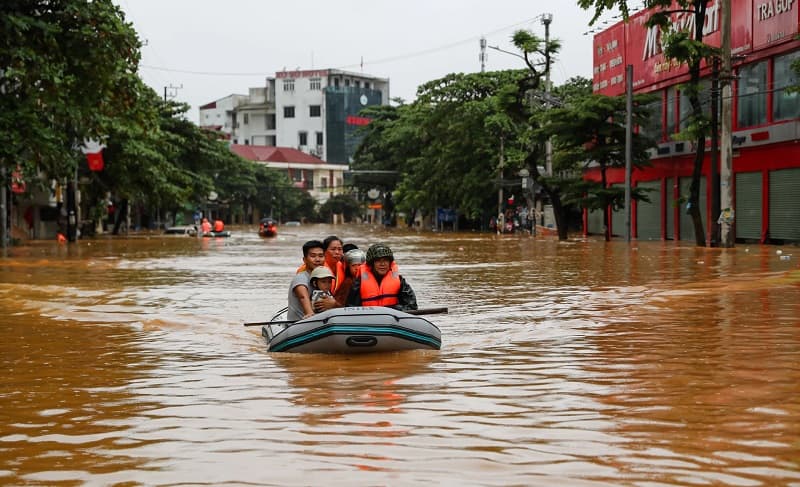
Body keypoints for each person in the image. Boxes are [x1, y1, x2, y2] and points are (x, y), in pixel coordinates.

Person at [346, 243, 418, 311]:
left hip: (392, 320)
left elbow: (412, 306)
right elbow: (351, 308)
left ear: (390, 263)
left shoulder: (400, 281)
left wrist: (394, 310)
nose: (382, 264)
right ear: (372, 264)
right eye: (378, 261)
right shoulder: (359, 283)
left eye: (385, 260)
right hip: (368, 319)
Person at [287, 240, 326, 321]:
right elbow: (302, 297)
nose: (317, 259)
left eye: (321, 256)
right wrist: (309, 313)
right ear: (304, 260)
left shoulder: (324, 278)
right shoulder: (300, 278)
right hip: (299, 325)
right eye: (313, 256)